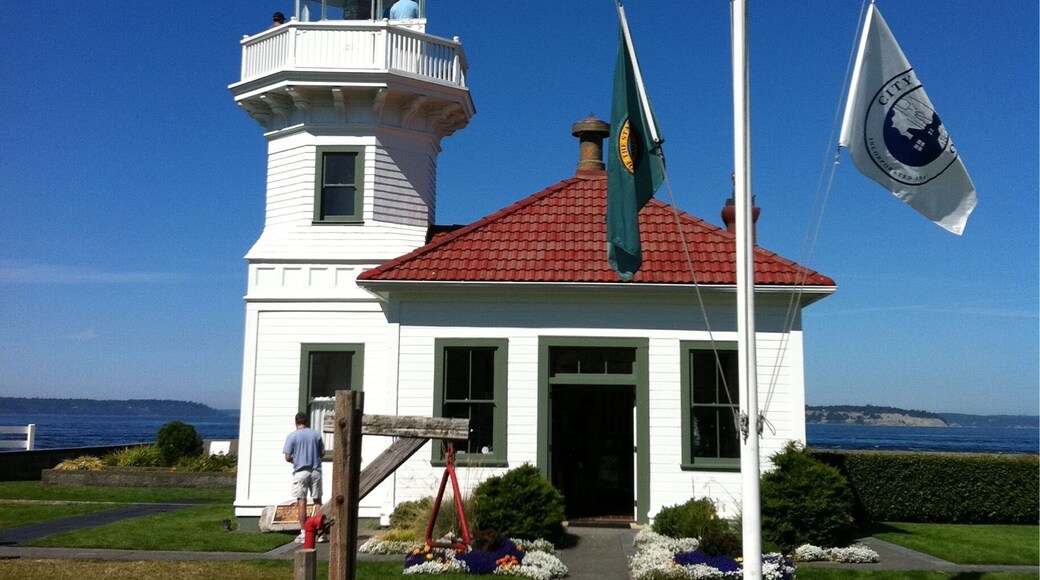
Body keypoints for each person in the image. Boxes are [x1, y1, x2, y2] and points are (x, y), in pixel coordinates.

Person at [283, 412, 325, 543]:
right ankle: (320, 532)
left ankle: (304, 532)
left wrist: (296, 459)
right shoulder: (316, 434)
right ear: (306, 421)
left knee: (302, 502)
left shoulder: (292, 436)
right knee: (317, 501)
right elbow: (322, 452)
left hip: (300, 471)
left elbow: (287, 456)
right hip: (315, 470)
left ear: (296, 422)